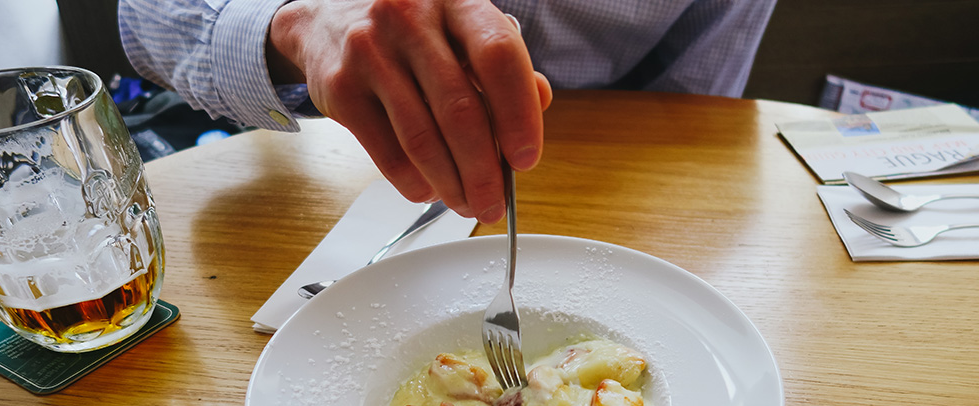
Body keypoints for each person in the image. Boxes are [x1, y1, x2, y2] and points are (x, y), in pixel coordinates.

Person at [119, 0, 777, 223]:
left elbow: (697, 111)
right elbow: (139, 15)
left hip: (618, 196)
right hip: (315, 181)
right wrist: (297, 25)